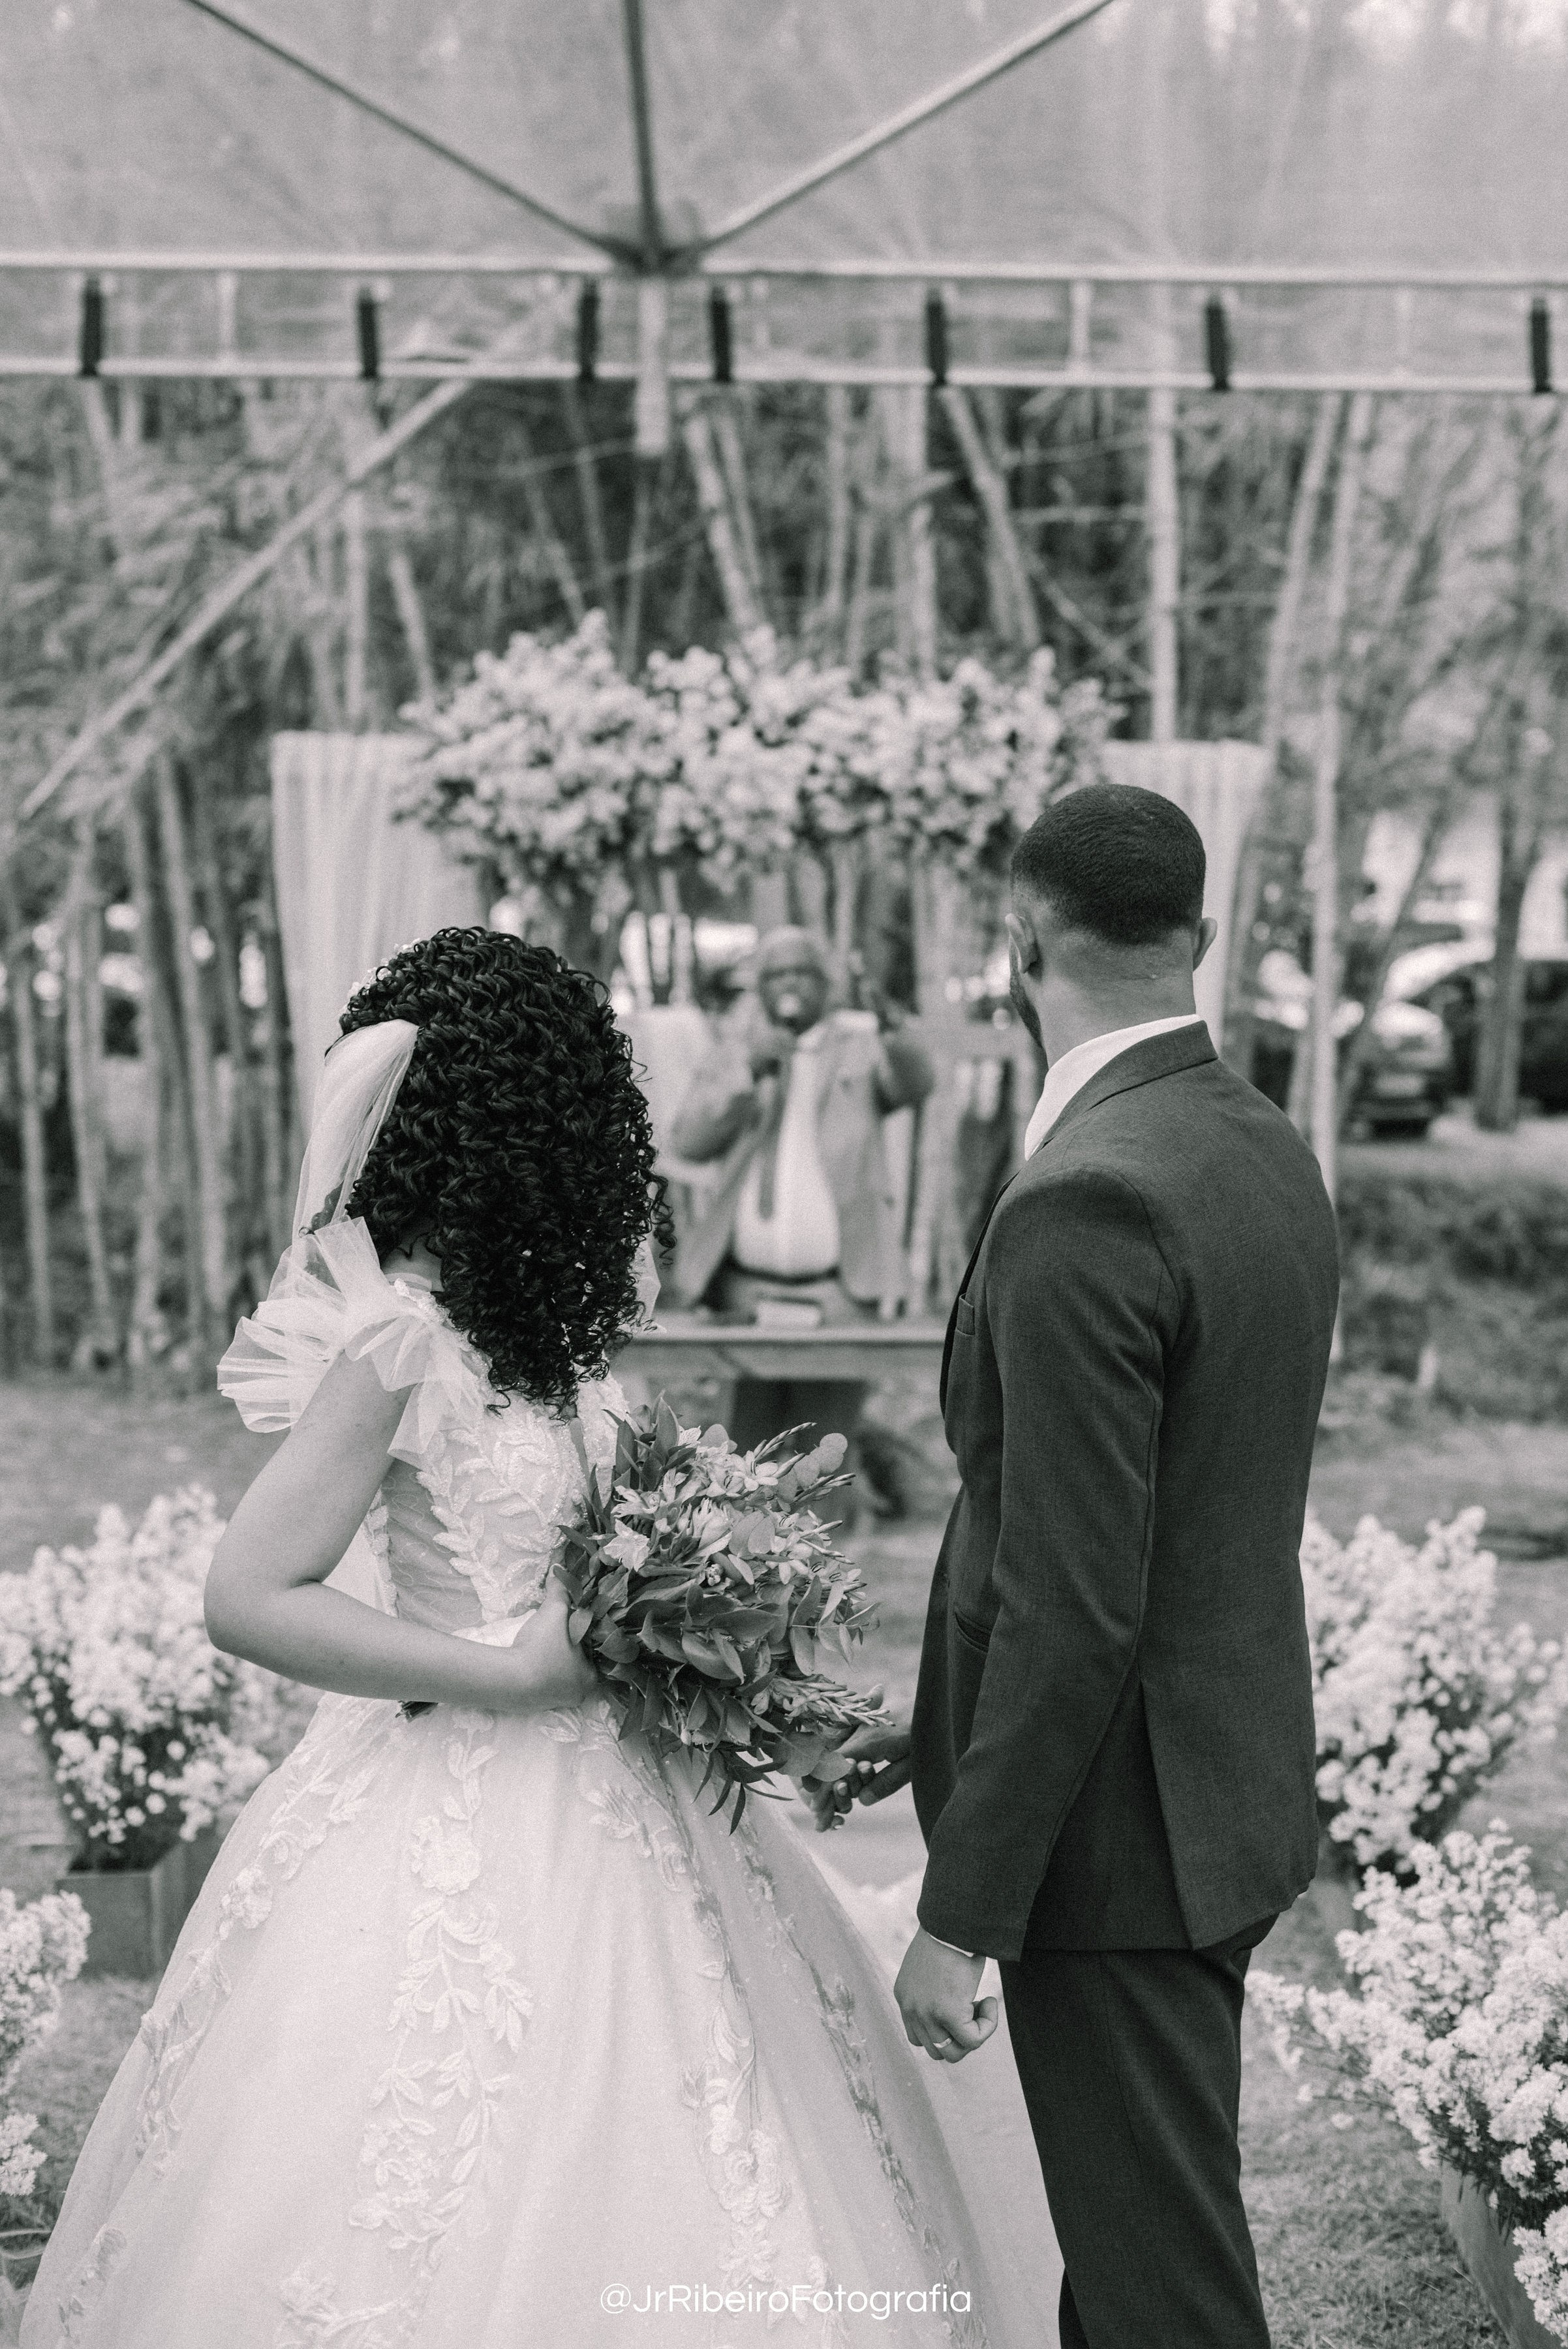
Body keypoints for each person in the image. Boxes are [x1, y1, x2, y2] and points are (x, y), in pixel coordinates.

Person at [22, 928, 1035, 2349]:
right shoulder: (397, 1344)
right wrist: (500, 1672)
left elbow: (629, 1597)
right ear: (542, 1132)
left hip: (643, 1793)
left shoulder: (550, 1344)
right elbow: (249, 1593)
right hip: (455, 1806)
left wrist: (774, 1711)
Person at [813, 786, 1340, 2349]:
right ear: (1205, 934)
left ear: (1020, 935)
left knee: (1166, 2296)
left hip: (1117, 1852)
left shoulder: (1086, 1196)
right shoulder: (1260, 1149)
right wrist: (932, 1727)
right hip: (1211, 1798)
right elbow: (1160, 1533)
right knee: (1124, 2269)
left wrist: (962, 1911)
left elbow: (1074, 1593)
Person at [667, 925, 934, 1457]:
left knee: (823, 1456)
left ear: (827, 984)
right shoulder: (736, 1052)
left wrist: (893, 1028)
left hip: (837, 1295)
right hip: (745, 1295)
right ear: (759, 987)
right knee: (743, 1457)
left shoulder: (859, 1048)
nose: (791, 985)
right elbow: (690, 1144)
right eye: (777, 973)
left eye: (803, 973)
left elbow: (914, 1083)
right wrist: (749, 1070)